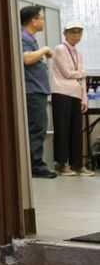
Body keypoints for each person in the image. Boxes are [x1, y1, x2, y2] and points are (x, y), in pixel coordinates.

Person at [51, 21, 94, 177]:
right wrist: (82, 73)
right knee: (62, 130)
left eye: (79, 33)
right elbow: (68, 73)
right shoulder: (60, 49)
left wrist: (84, 99)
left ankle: (77, 165)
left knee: (77, 131)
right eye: (72, 32)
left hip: (76, 94)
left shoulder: (78, 53)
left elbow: (82, 79)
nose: (76, 36)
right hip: (61, 93)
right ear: (65, 33)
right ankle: (62, 165)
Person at [21, 5, 58, 180]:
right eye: (41, 18)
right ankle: (35, 165)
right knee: (37, 128)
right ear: (33, 20)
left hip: (37, 90)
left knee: (38, 128)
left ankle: (34, 164)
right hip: (32, 91)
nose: (43, 21)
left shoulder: (30, 38)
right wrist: (44, 50)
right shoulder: (23, 36)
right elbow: (26, 58)